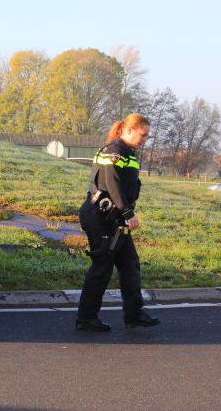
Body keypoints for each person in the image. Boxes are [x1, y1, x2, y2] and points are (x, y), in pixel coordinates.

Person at [75, 113, 160, 331]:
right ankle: (86, 319)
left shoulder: (127, 152)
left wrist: (123, 214)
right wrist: (128, 213)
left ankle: (134, 314)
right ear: (129, 130)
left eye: (147, 136)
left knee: (130, 264)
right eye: (143, 135)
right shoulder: (114, 151)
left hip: (114, 219)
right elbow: (112, 184)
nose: (145, 140)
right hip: (100, 216)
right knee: (102, 267)